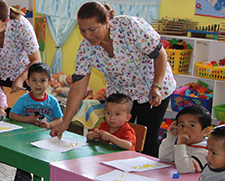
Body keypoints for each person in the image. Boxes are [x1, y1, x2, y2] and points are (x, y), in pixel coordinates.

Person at [50, 1, 176, 158]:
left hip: (152, 87)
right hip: (121, 95)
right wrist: (65, 122)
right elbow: (78, 88)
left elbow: (160, 54)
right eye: (82, 30)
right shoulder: (86, 49)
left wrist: (156, 85)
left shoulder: (129, 27)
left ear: (106, 22)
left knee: (147, 140)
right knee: (115, 136)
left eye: (92, 29)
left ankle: (146, 179)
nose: (88, 35)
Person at [7, 62, 63, 181]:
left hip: (45, 138)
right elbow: (12, 115)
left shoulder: (52, 101)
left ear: (49, 82)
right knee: (23, 157)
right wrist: (29, 120)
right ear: (28, 82)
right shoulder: (24, 99)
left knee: (47, 158)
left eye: (42, 81)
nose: (38, 84)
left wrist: (50, 125)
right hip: (24, 137)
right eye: (34, 80)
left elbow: (60, 119)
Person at [85, 93, 136, 181]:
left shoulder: (127, 130)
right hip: (106, 166)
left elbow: (128, 145)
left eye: (117, 114)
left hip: (124, 170)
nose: (112, 117)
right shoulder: (103, 125)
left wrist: (110, 137)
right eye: (108, 113)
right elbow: (88, 136)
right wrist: (93, 135)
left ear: (128, 117)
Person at [159, 106, 211, 174]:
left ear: (205, 131)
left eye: (192, 125)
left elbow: (183, 169)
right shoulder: (182, 145)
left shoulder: (206, 152)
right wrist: (171, 137)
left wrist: (181, 145)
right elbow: (164, 158)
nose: (185, 130)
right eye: (181, 125)